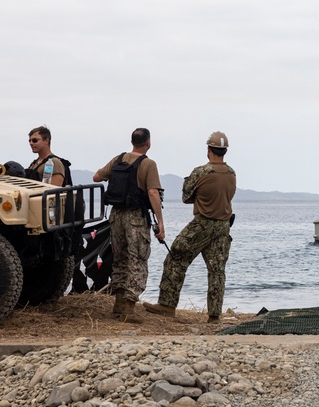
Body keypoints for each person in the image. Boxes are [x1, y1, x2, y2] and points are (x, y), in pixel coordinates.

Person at [145, 132, 237, 323]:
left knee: (176, 258)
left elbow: (186, 197)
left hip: (202, 223)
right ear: (224, 151)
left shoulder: (200, 172)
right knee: (217, 270)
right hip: (223, 226)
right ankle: (214, 315)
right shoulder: (231, 173)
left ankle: (167, 305)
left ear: (209, 150)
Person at [93, 128, 166, 323]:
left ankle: (118, 303)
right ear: (148, 143)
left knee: (120, 258)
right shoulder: (148, 164)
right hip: (136, 217)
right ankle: (129, 306)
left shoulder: (119, 159)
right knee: (138, 259)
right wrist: (160, 222)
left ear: (132, 141)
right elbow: (152, 193)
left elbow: (97, 177)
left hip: (116, 216)